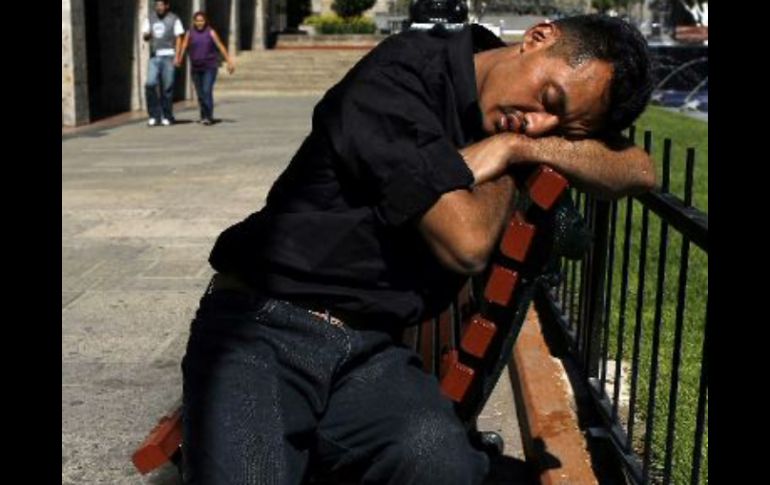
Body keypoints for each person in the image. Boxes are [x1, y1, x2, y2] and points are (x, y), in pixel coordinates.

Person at [181, 15, 656, 484]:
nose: (539, 124)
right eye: (549, 100)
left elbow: (640, 169)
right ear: (537, 37)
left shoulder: (504, 100)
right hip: (263, 324)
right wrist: (512, 146)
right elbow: (466, 244)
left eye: (562, 130)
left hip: (369, 349)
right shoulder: (399, 81)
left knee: (443, 464)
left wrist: (518, 148)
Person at [175, 11, 235, 126]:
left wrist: (229, 61)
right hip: (196, 68)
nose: (199, 23)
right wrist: (179, 58)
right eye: (197, 21)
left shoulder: (211, 32)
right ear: (194, 21)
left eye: (201, 21)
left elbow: (220, 46)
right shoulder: (190, 33)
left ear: (205, 21)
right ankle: (203, 115)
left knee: (207, 91)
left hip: (210, 67)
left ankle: (208, 116)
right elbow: (184, 45)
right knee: (200, 94)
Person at [143, 0, 184, 127]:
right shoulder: (150, 18)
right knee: (150, 84)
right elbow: (145, 36)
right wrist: (147, 35)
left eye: (161, 5)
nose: (159, 8)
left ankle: (167, 116)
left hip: (169, 56)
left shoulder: (174, 19)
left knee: (167, 87)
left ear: (167, 6)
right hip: (154, 56)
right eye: (157, 5)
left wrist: (177, 56)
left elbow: (179, 38)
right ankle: (154, 115)